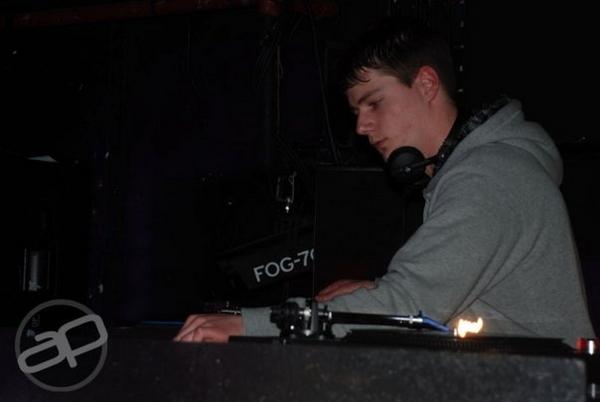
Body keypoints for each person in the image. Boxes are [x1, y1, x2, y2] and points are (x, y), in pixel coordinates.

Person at [174, 18, 595, 346]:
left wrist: (247, 326)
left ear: (426, 84)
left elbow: (409, 305)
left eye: (374, 102)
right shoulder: (479, 171)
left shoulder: (489, 177)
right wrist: (378, 292)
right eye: (356, 112)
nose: (362, 127)